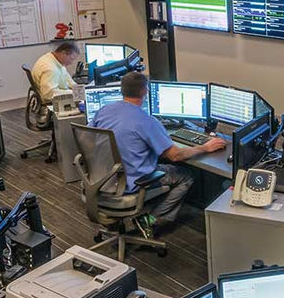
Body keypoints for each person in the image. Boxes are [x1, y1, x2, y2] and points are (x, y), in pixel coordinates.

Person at [90, 71, 225, 237]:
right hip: (131, 183)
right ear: (144, 91)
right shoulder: (146, 120)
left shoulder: (104, 110)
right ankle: (151, 219)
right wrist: (205, 147)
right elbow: (175, 155)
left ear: (122, 90)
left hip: (102, 178)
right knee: (186, 176)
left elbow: (89, 137)